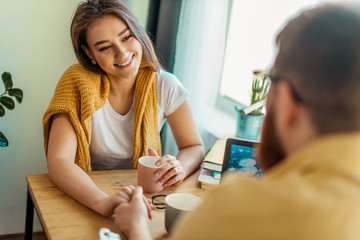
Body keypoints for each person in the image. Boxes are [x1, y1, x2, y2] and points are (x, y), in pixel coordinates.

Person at [113, 2, 360, 239]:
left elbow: (193, 147)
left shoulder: (237, 209)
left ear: (286, 100)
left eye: (270, 80)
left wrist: (136, 228)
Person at [42, 0, 204, 217]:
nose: (122, 53)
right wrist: (103, 202)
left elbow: (193, 146)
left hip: (145, 196)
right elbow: (59, 161)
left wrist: (178, 168)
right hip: (88, 193)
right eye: (105, 47)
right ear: (89, 53)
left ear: (138, 33)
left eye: (126, 37)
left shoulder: (165, 84)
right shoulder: (75, 85)